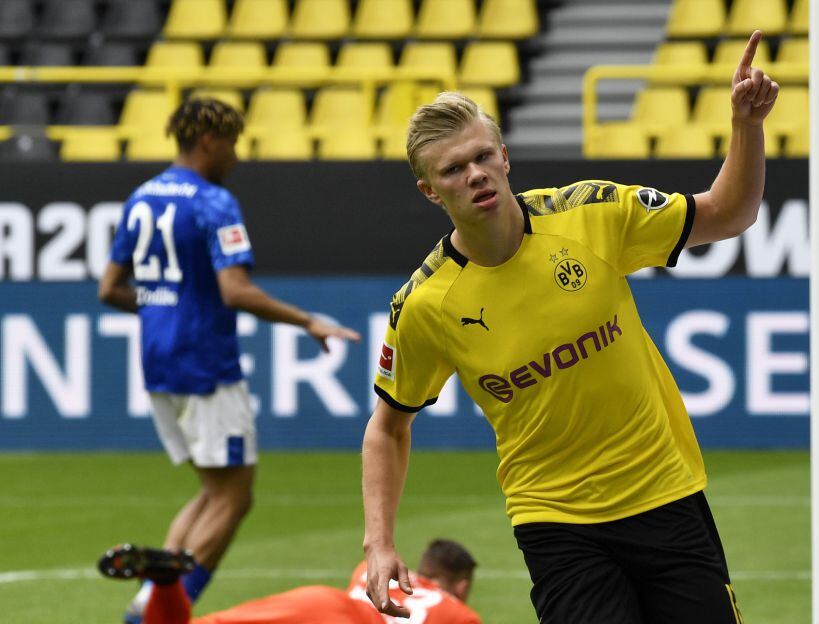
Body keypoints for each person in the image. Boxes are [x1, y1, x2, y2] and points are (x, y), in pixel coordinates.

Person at [361, 30, 778, 623]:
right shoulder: (426, 304)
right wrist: (378, 543)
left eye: (483, 156)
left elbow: (728, 213)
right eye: (454, 169)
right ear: (430, 191)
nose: (476, 174)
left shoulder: (591, 214)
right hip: (555, 520)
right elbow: (387, 429)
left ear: (505, 157)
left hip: (664, 491)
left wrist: (746, 124)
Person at [98, 98, 361, 623]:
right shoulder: (214, 202)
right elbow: (235, 291)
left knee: (214, 489)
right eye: (233, 143)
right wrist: (306, 320)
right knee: (236, 497)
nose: (236, 157)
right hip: (204, 360)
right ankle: (164, 611)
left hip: (157, 360)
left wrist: (161, 306)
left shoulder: (142, 197)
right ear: (208, 140)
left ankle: (150, 601)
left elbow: (110, 289)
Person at [97, 540, 481, 624]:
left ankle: (166, 582)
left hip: (319, 602)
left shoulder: (373, 574)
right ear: (461, 587)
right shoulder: (461, 615)